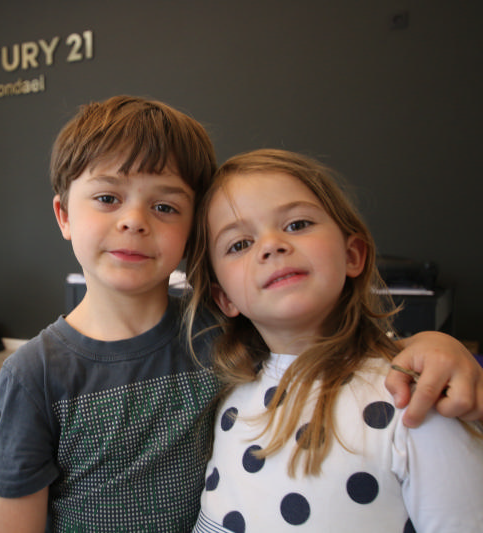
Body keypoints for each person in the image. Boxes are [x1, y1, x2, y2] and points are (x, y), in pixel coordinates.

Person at [0, 97, 483, 533]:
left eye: (165, 206)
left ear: (191, 233)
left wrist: (437, 346)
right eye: (107, 198)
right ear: (64, 215)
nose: (134, 221)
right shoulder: (34, 374)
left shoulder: (221, 330)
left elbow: (327, 348)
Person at [184, 148, 483, 532]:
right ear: (223, 298)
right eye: (239, 244)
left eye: (297, 224)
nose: (271, 245)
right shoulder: (223, 391)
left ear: (353, 254)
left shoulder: (415, 397)